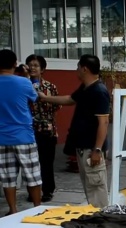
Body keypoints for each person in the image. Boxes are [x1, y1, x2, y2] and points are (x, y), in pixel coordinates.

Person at [39, 54, 110, 208]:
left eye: (78, 67)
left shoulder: (99, 91)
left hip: (92, 149)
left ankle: (102, 219)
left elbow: (103, 122)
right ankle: (95, 219)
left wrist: (97, 149)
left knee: (96, 188)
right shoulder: (85, 88)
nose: (76, 70)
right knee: (89, 187)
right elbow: (69, 99)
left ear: (84, 69)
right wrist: (45, 98)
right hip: (83, 148)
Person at [0, 49, 43, 215]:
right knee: (32, 175)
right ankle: (37, 209)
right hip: (24, 136)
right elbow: (35, 96)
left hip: (2, 137)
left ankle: (12, 209)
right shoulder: (23, 83)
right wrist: (27, 77)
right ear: (14, 64)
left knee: (8, 177)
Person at [27, 54, 60, 203]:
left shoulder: (50, 87)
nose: (32, 68)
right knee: (31, 163)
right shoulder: (24, 85)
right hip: (29, 129)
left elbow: (57, 105)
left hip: (47, 129)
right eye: (30, 65)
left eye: (36, 65)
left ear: (42, 69)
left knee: (46, 162)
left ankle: (47, 190)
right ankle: (33, 191)